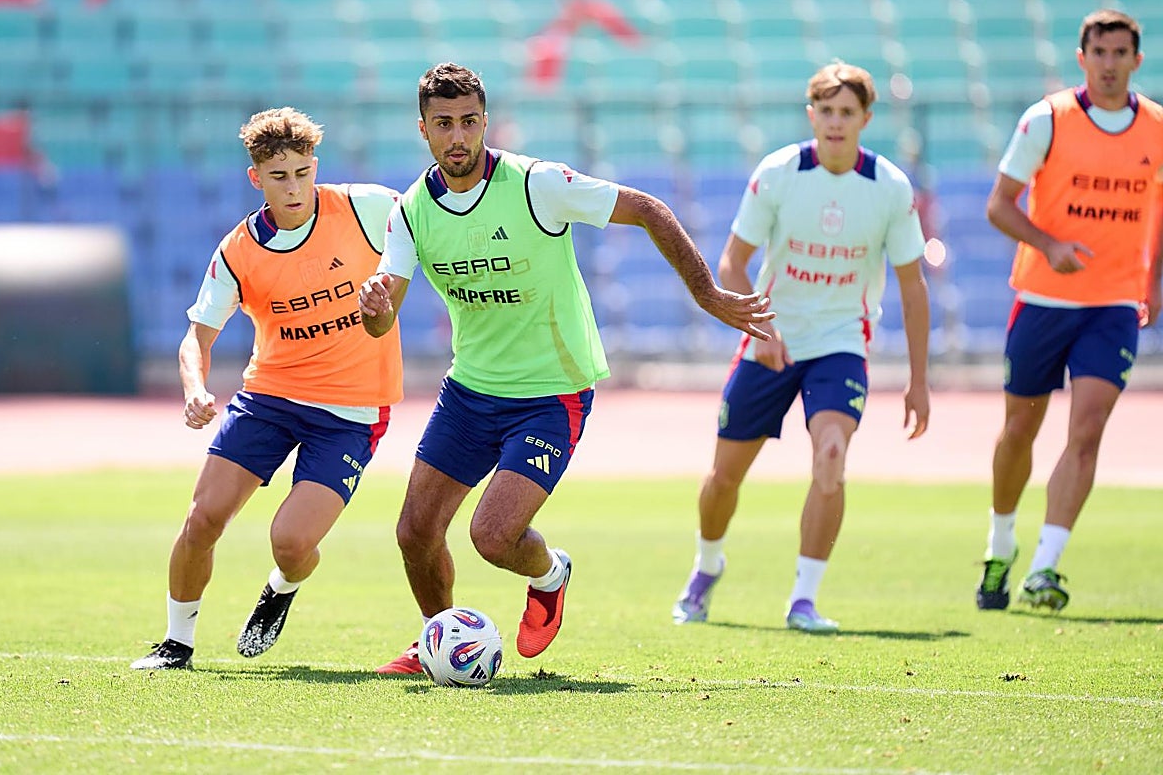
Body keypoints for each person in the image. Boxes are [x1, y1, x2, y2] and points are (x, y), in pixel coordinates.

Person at [357, 62, 773, 673]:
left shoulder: (536, 184)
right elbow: (382, 313)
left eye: (469, 121)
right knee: (414, 533)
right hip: (470, 392)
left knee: (492, 537)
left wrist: (707, 293)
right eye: (443, 124)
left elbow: (650, 210)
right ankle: (437, 641)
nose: (458, 137)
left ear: (485, 122)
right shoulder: (412, 212)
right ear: (423, 129)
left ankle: (551, 575)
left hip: (551, 393)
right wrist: (372, 308)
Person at [131, 107, 403, 670]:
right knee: (202, 520)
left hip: (352, 411)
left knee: (291, 542)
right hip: (270, 399)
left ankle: (281, 587)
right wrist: (195, 390)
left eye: (303, 172)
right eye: (280, 176)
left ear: (316, 167)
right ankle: (176, 641)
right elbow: (195, 338)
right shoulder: (236, 251)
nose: (295, 187)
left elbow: (432, 229)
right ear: (256, 178)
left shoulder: (364, 207)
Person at [671, 61, 931, 633]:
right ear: (811, 115)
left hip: (841, 342)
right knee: (723, 479)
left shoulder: (889, 187)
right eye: (827, 111)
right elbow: (733, 263)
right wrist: (761, 331)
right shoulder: (779, 172)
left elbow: (913, 285)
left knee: (832, 457)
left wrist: (919, 379)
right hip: (771, 338)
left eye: (848, 112)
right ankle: (706, 568)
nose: (836, 123)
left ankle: (804, 600)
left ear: (866, 118)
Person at [974, 9, 1163, 613]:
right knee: (1019, 430)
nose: (1110, 64)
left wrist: (1150, 279)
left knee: (1087, 430)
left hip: (1111, 305)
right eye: (1099, 53)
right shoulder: (1047, 119)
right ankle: (1000, 545)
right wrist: (1048, 245)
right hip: (1042, 302)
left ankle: (1045, 567)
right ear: (1082, 59)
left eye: (1121, 53)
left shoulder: (1157, 126)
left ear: (1137, 59)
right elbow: (999, 206)